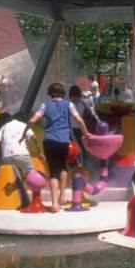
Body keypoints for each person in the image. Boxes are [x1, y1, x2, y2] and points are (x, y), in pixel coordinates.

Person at [24, 83, 92, 213]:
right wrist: (86, 133)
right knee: (63, 167)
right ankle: (62, 196)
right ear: (63, 93)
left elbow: (33, 120)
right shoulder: (69, 104)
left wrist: (24, 133)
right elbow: (78, 119)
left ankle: (54, 204)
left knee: (53, 171)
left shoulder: (45, 105)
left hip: (49, 140)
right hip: (63, 141)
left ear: (50, 93)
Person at [0, 113, 34, 207]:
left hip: (7, 156)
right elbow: (33, 138)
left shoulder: (4, 126)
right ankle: (33, 201)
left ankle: (23, 200)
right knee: (32, 175)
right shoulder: (24, 125)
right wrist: (39, 151)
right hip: (22, 154)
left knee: (19, 178)